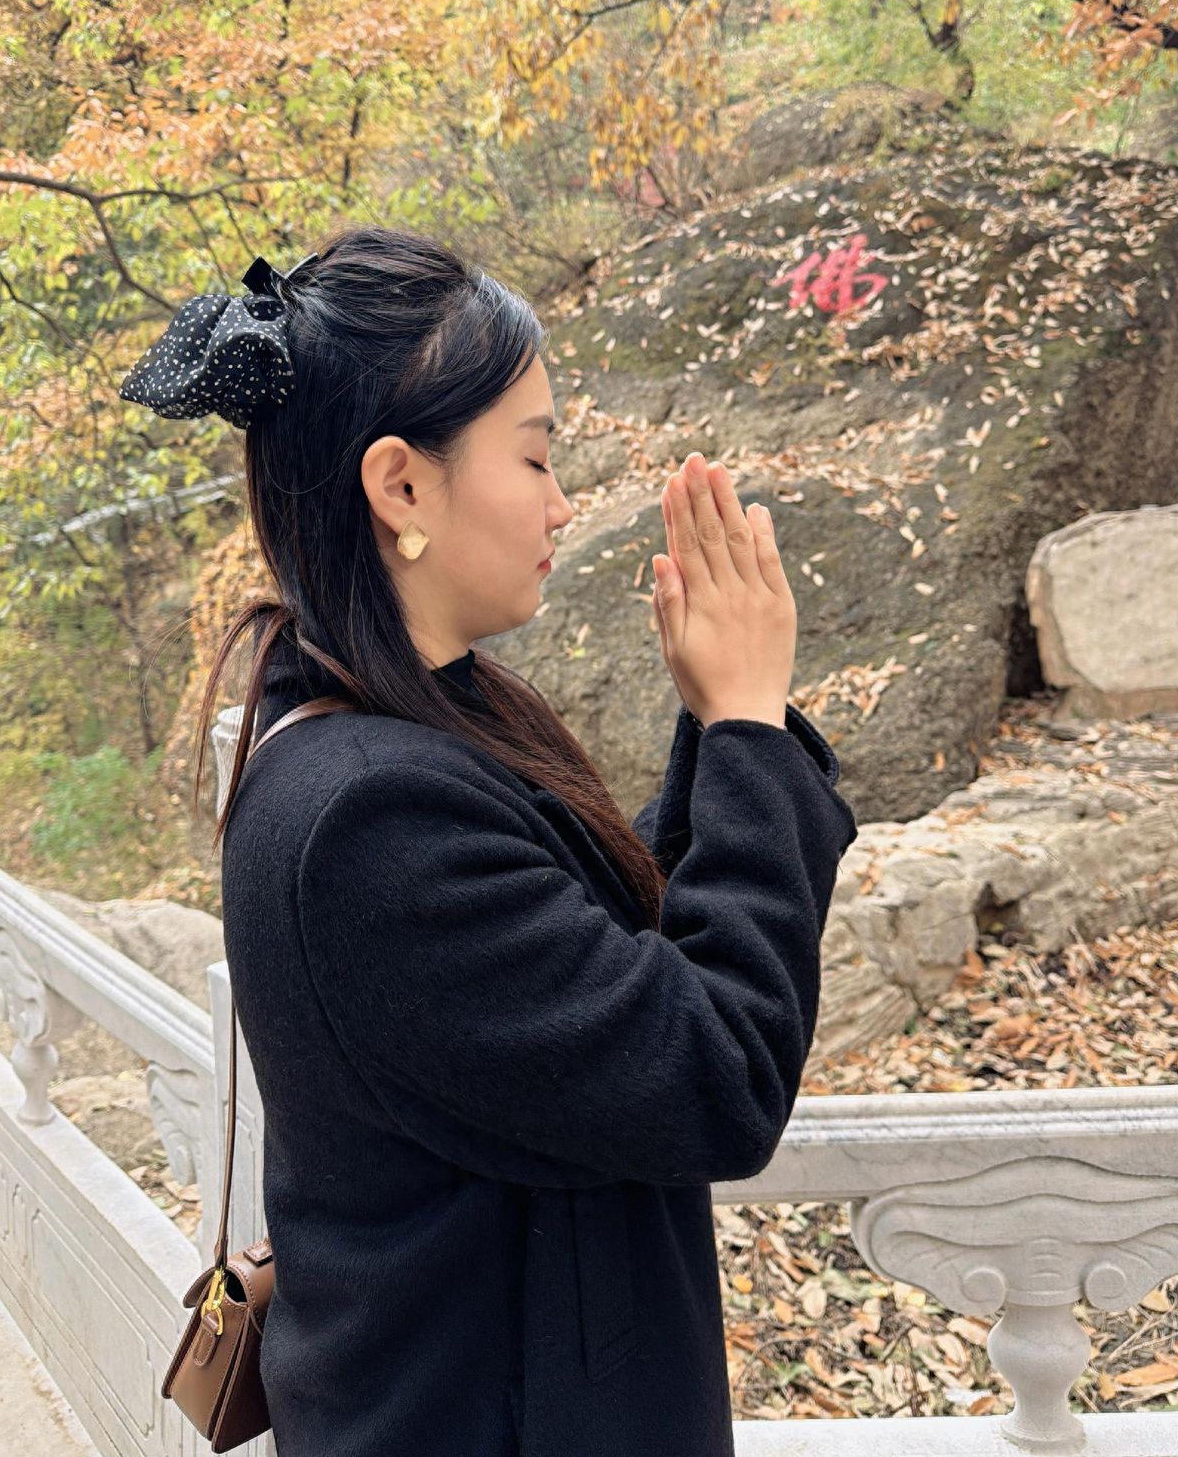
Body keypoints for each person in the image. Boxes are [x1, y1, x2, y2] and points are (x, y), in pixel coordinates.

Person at [119, 225, 859, 1457]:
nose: (563, 503)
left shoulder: (396, 716)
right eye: (535, 454)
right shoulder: (367, 817)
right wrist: (740, 729)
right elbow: (709, 1075)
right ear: (403, 484)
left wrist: (730, 730)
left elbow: (582, 963)